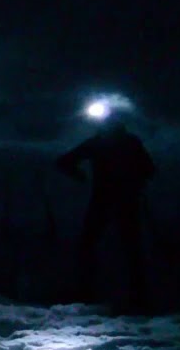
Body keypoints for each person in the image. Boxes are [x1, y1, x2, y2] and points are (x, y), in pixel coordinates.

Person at [55, 116, 156, 312]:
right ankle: (137, 295)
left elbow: (64, 162)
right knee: (130, 247)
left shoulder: (100, 142)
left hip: (105, 198)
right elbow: (150, 170)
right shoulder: (129, 141)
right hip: (124, 199)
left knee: (90, 244)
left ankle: (86, 290)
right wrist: (137, 180)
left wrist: (79, 176)